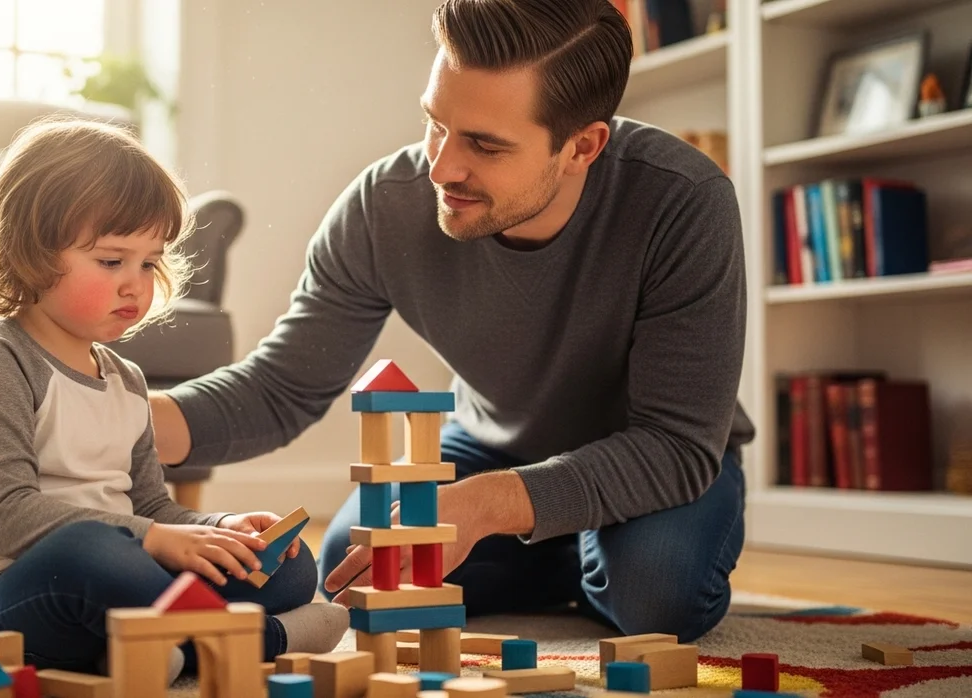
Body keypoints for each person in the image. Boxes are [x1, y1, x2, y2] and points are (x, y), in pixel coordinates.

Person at [145, 0, 754, 644]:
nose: (440, 168)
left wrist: (486, 505)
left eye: (485, 145)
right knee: (351, 570)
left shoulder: (684, 202)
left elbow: (678, 445)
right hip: (490, 444)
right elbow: (281, 387)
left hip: (647, 455)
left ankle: (566, 547)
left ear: (582, 147)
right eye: (436, 123)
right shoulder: (384, 204)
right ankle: (564, 550)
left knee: (658, 598)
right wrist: (123, 424)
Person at [0, 118, 348, 684]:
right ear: (31, 254)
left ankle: (154, 644)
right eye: (111, 261)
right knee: (93, 553)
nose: (136, 284)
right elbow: (10, 518)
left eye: (148, 262)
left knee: (287, 570)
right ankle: (258, 641)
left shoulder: (125, 380)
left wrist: (219, 528)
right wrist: (154, 540)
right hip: (0, 608)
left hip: (119, 581)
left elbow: (151, 507)